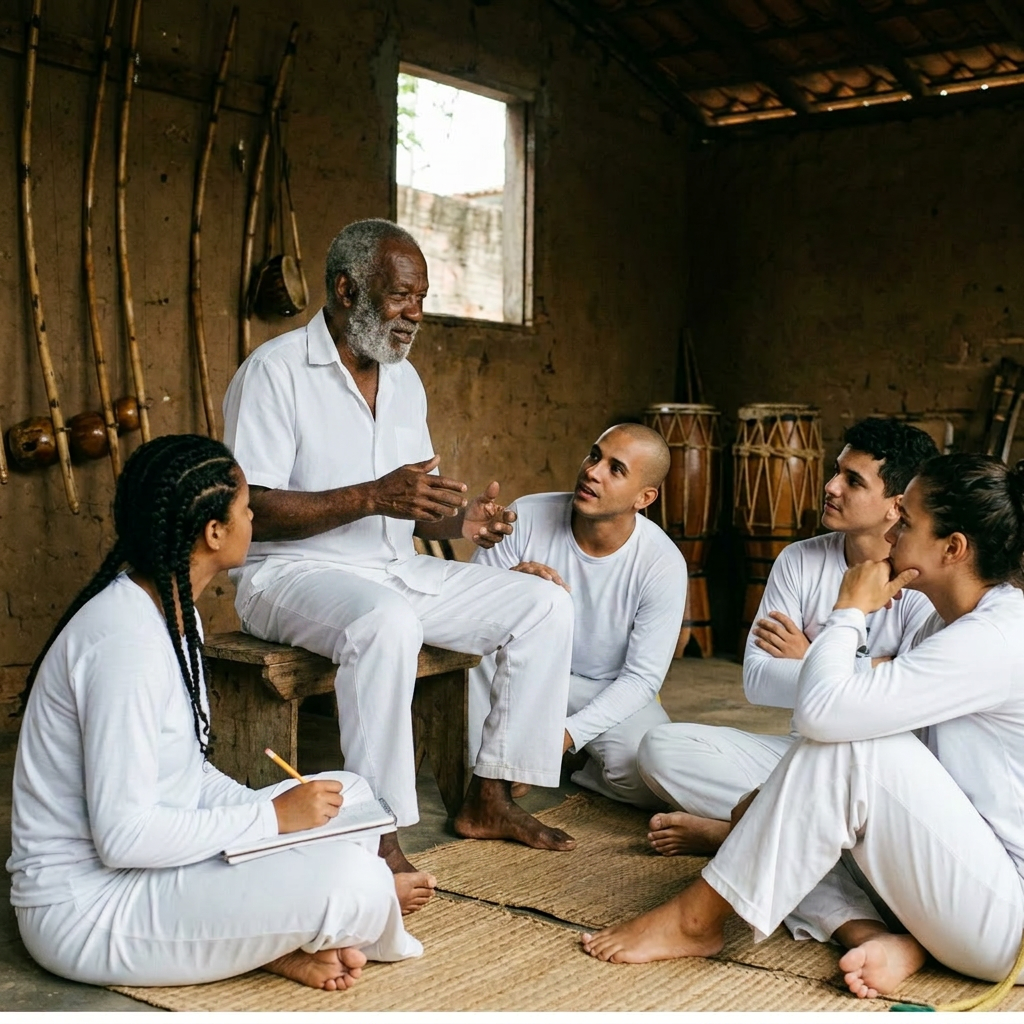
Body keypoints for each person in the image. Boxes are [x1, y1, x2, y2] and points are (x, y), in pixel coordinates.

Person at [583, 453, 1024, 1002]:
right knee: (770, 814)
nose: (892, 533)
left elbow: (824, 713)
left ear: (953, 548)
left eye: (906, 522)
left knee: (848, 751)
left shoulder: (995, 637)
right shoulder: (952, 619)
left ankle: (698, 918)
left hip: (1008, 920)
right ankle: (884, 936)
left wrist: (850, 611)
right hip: (955, 874)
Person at [222, 218, 577, 887]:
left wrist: (462, 520)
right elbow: (251, 510)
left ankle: (490, 795)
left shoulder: (404, 379)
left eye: (422, 297)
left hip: (394, 568)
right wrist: (371, 498)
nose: (416, 313)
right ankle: (375, 832)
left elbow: (405, 501)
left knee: (544, 605)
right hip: (289, 577)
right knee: (387, 623)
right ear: (346, 289)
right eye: (401, 296)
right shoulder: (274, 374)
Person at [7, 435, 423, 991]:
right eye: (248, 509)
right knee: (354, 882)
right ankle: (285, 931)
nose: (255, 518)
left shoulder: (175, 617)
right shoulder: (122, 643)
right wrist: (272, 822)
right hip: (90, 906)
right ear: (214, 533)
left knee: (350, 799)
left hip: (159, 866)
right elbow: (123, 838)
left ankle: (262, 939)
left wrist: (275, 815)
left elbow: (189, 773)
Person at [637, 419, 938, 864]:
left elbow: (906, 701)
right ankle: (781, 832)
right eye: (836, 471)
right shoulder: (799, 559)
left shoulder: (920, 583)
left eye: (853, 481)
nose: (831, 486)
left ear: (896, 505)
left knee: (903, 815)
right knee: (660, 748)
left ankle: (737, 834)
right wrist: (873, 666)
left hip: (874, 767)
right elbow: (758, 681)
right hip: (798, 753)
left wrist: (811, 656)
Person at [470, 424, 686, 808]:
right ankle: (496, 765)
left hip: (598, 688)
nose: (592, 471)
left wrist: (565, 738)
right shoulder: (527, 515)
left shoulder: (662, 563)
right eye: (594, 455)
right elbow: (467, 617)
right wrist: (507, 589)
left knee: (651, 780)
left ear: (644, 497)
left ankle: (571, 761)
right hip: (516, 675)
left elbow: (641, 679)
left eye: (615, 469)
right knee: (480, 659)